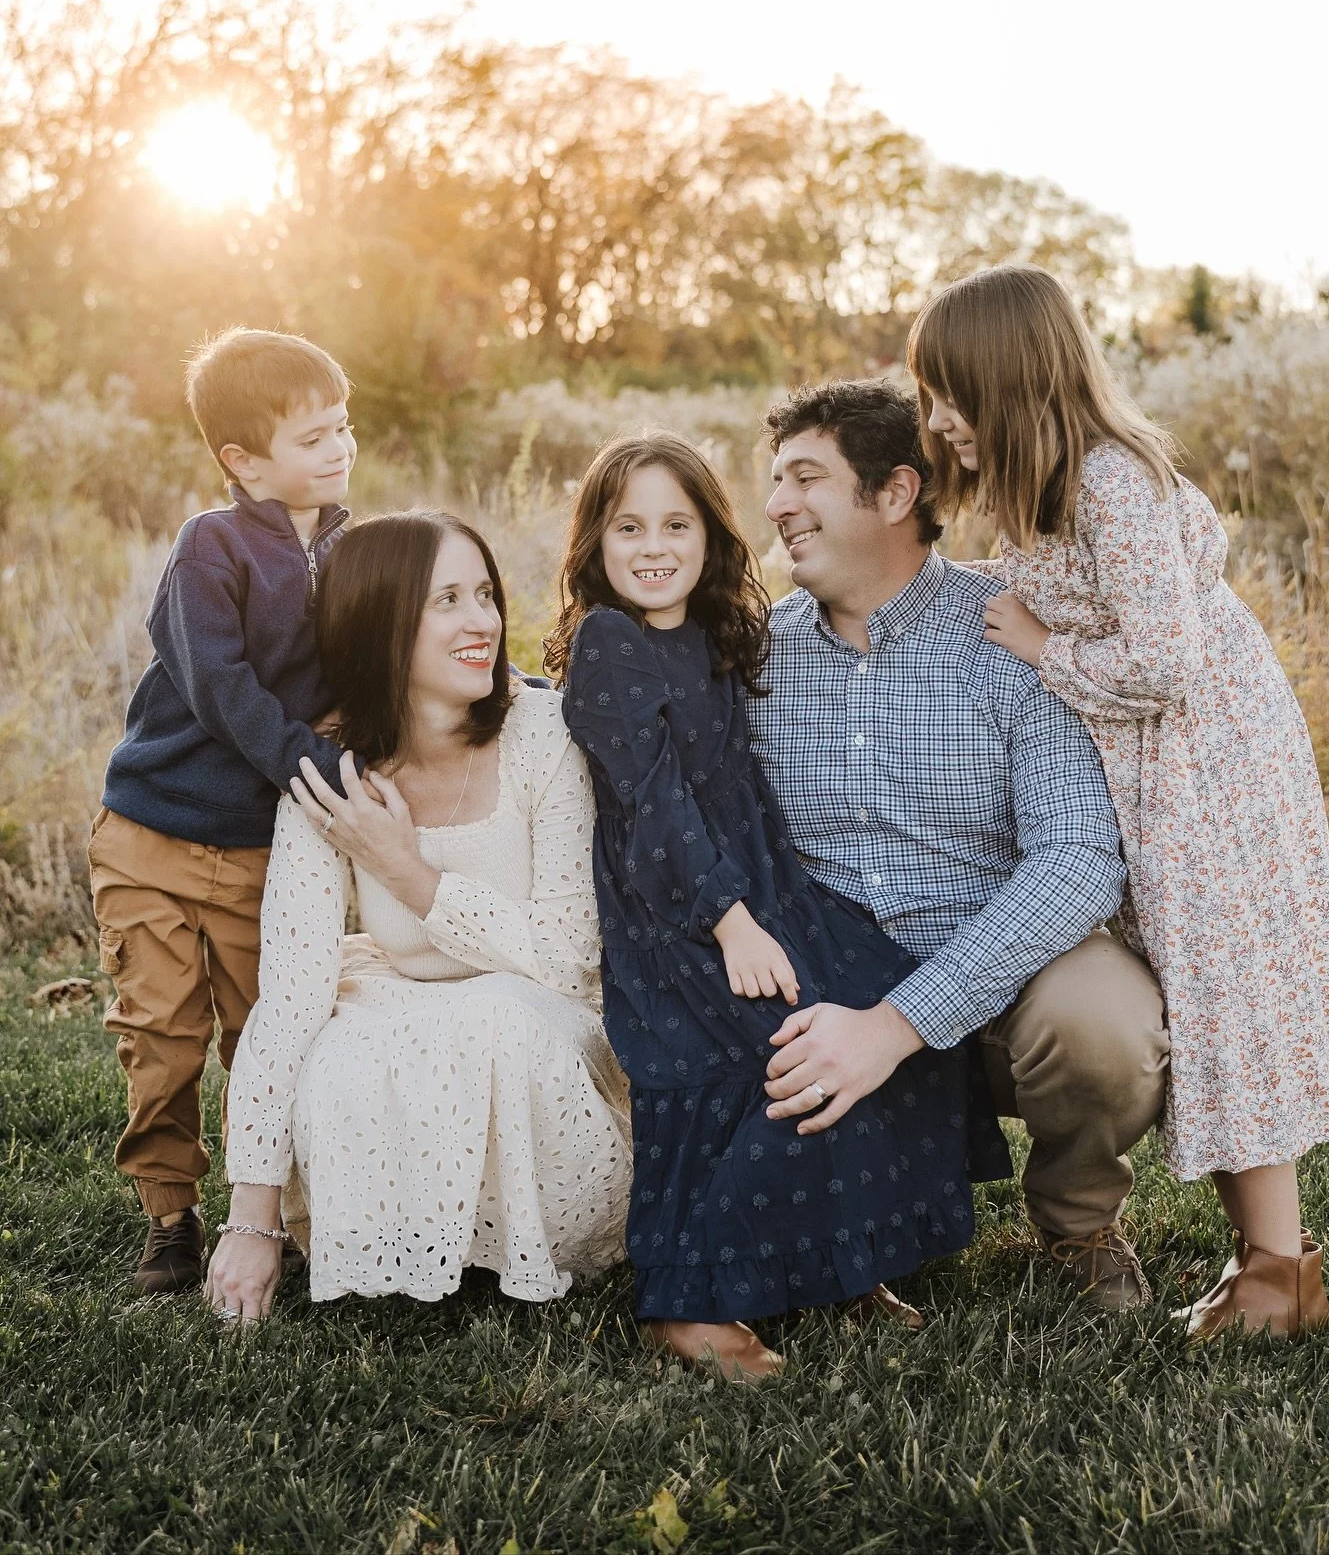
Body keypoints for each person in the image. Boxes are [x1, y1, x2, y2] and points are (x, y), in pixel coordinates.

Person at [907, 263, 1329, 1339]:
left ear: (1017, 381)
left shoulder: (1110, 479)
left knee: (1226, 1008)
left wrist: (1040, 644)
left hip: (1205, 773)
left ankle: (1279, 1275)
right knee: (1209, 1006)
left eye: (952, 391)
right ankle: (1268, 1267)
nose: (937, 417)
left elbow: (1161, 661)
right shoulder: (1054, 490)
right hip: (1165, 772)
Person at [548, 433, 1008, 1380]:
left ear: (713, 540)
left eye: (677, 524)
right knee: (783, 1049)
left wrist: (776, 902)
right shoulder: (610, 643)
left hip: (767, 888)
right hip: (678, 914)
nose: (654, 546)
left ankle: (847, 1263)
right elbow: (655, 806)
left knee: (891, 1005)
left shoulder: (713, 634)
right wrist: (731, 921)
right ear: (595, 544)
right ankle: (693, 1300)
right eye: (628, 527)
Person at [748, 379, 1164, 1313]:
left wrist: (901, 1022)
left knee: (1105, 1025)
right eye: (774, 479)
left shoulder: (1008, 631)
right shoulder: (756, 657)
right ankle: (847, 1219)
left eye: (805, 477)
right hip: (826, 990)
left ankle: (1080, 1228)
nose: (776, 504)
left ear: (896, 494)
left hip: (997, 985)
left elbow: (1078, 858)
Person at [203, 512, 631, 1321]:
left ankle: (529, 1236)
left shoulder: (545, 734)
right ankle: (410, 1239)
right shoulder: (334, 771)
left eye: (485, 594)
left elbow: (573, 958)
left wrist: (406, 868)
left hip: (551, 1019)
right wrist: (249, 1221)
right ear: (381, 625)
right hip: (404, 996)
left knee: (496, 1021)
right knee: (329, 1051)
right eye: (448, 601)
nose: (484, 622)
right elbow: (287, 998)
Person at [88, 328, 357, 1294]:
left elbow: (389, 653)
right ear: (241, 460)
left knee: (264, 1031)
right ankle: (170, 1217)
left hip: (261, 847)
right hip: (153, 830)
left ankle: (269, 1211)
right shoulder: (213, 546)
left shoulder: (353, 548)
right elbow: (222, 685)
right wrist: (313, 762)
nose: (338, 450)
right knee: (161, 1033)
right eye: (312, 437)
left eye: (343, 427)